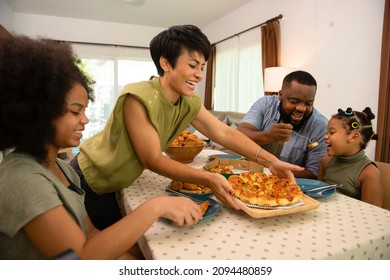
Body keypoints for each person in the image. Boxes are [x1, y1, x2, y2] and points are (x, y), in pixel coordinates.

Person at [70, 24, 304, 230]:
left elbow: (223, 132)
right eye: (192, 65)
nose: (199, 75)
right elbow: (152, 158)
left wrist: (271, 161)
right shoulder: (137, 96)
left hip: (119, 181)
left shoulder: (189, 102)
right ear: (165, 63)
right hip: (90, 178)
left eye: (202, 67)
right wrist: (209, 179)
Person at [0, 35, 206, 260]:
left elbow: (91, 235)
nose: (85, 120)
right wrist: (156, 206)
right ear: (36, 111)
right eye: (75, 111)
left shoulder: (63, 168)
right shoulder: (23, 179)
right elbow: (82, 258)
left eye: (85, 110)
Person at [237, 70, 328, 179]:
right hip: (247, 176)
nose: (301, 108)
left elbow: (313, 172)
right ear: (280, 95)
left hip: (289, 187)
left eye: (309, 103)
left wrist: (272, 172)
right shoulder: (265, 104)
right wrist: (267, 136)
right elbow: (239, 134)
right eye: (294, 101)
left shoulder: (321, 126)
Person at [317, 107, 382, 207]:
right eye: (327, 132)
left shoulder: (369, 173)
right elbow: (317, 197)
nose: (326, 136)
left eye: (332, 132)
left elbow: (372, 214)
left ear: (354, 137)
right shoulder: (325, 161)